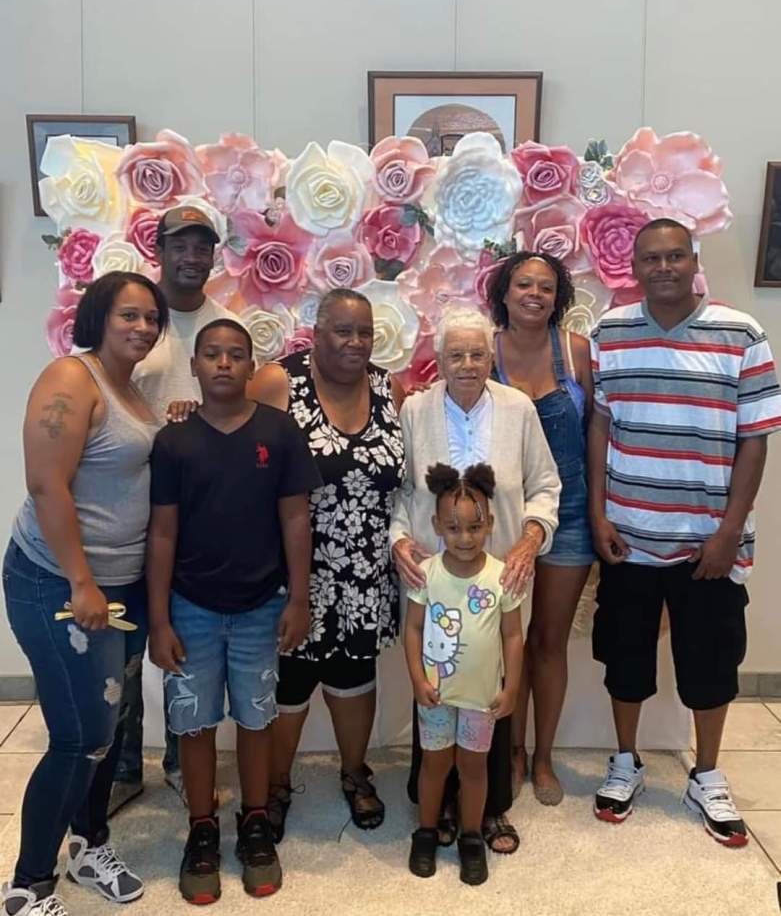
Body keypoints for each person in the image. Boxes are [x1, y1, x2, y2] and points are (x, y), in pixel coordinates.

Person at [588, 218, 781, 845]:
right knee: (626, 659)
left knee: (711, 664)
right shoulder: (610, 334)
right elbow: (599, 429)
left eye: (675, 256)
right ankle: (625, 761)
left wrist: (729, 531)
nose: (663, 267)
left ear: (693, 260)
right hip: (629, 535)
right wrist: (597, 512)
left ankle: (706, 772)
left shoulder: (742, 334)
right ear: (633, 267)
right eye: (651, 258)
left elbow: (755, 440)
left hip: (709, 545)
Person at [1, 272, 169, 916]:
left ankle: (89, 843)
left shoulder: (134, 389)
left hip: (118, 584)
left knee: (112, 722)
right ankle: (28, 884)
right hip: (58, 582)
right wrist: (80, 579)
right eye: (129, 314)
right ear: (97, 315)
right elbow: (47, 485)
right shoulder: (72, 380)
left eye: (151, 318)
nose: (143, 327)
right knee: (78, 735)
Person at [146, 318, 321, 903]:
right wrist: (160, 618)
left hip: (261, 608)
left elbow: (296, 518)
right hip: (190, 608)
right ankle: (201, 826)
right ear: (193, 367)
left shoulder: (280, 431)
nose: (223, 363)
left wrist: (298, 598)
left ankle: (253, 821)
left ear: (253, 366)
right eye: (212, 354)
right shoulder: (173, 441)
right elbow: (163, 533)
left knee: (256, 719)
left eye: (236, 355)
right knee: (194, 723)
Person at [391, 306, 560, 855]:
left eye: (478, 354)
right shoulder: (415, 410)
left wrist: (531, 540)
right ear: (438, 360)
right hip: (431, 584)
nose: (468, 364)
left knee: (491, 694)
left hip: (498, 581)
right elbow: (397, 493)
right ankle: (433, 805)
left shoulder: (518, 408)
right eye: (456, 354)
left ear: (493, 357)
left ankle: (486, 813)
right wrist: (399, 541)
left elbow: (545, 486)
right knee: (434, 691)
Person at [250, 288, 406, 840]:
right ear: (316, 333)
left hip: (367, 572)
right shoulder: (278, 382)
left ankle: (354, 773)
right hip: (295, 571)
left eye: (364, 332)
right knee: (289, 683)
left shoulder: (389, 387)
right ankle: (273, 786)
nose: (355, 343)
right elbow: (239, 455)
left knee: (354, 676)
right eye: (343, 331)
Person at [112, 204, 236, 814]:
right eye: (179, 245)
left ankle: (180, 764)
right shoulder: (137, 320)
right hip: (124, 503)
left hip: (192, 516)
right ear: (158, 248)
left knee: (183, 643)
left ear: (214, 254)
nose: (191, 257)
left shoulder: (223, 325)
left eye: (202, 247)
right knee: (124, 642)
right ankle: (122, 767)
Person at [488, 251, 595, 805]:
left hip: (571, 515)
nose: (535, 294)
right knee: (505, 642)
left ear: (559, 298)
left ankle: (544, 755)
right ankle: (510, 751)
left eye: (547, 287)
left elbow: (597, 438)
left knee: (547, 642)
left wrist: (600, 513)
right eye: (524, 284)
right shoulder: (485, 354)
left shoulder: (576, 353)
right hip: (504, 519)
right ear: (503, 293)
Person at [405, 463, 523, 886]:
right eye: (453, 529)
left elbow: (513, 636)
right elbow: (414, 628)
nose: (465, 538)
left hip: (482, 699)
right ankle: (425, 830)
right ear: (438, 526)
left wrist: (511, 687)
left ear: (489, 524)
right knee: (434, 766)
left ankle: (471, 837)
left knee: (474, 769)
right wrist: (417, 678)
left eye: (474, 528)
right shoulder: (427, 573)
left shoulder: (501, 577)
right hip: (435, 696)